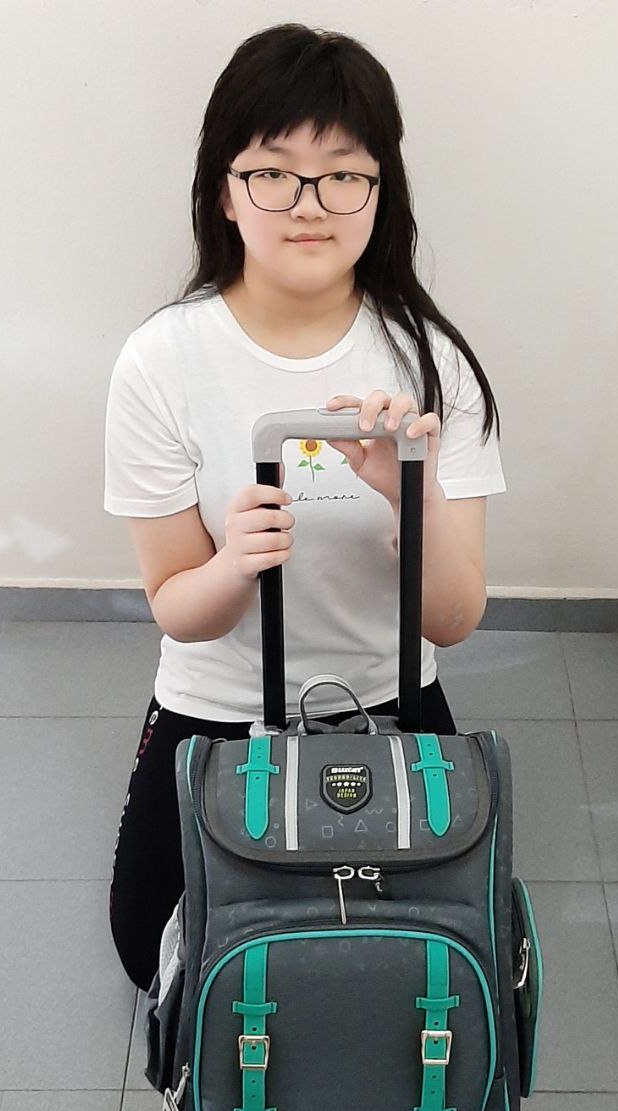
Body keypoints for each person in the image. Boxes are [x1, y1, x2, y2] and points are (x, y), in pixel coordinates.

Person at [102, 23, 506, 990]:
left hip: (386, 692)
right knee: (153, 952)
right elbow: (178, 610)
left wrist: (409, 496)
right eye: (274, 173)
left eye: (343, 176)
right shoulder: (160, 362)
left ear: (381, 190)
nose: (310, 204)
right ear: (224, 190)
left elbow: (453, 618)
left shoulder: (431, 363)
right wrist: (233, 565)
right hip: (218, 702)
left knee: (413, 950)